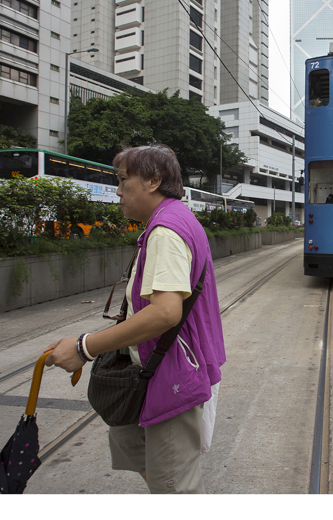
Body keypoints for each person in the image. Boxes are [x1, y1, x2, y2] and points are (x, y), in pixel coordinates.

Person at [43, 144, 226, 493]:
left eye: (124, 180)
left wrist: (85, 348)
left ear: (153, 181)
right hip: (158, 368)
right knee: (128, 438)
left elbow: (166, 312)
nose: (118, 190)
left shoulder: (166, 231)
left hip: (172, 374)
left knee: (175, 488)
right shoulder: (173, 219)